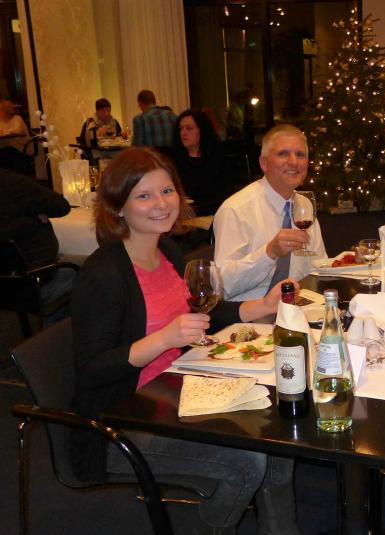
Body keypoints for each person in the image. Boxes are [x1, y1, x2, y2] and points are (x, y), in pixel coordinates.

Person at [70, 147, 301, 535]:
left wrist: (262, 305)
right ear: (117, 206)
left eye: (167, 191)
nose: (161, 204)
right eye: (144, 195)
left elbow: (203, 314)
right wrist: (164, 338)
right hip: (121, 422)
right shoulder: (104, 274)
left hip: (178, 389)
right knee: (249, 463)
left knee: (277, 429)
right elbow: (92, 370)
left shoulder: (165, 250)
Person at [214, 124, 326, 301]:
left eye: (300, 154)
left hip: (300, 305)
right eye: (283, 154)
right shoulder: (235, 210)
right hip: (250, 311)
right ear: (263, 163)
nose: (294, 162)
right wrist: (269, 253)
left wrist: (351, 264)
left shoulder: (304, 205)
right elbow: (221, 286)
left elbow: (318, 268)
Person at [0, 168, 75, 312]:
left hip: (12, 283)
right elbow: (61, 206)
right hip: (33, 282)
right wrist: (34, 210)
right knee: (89, 271)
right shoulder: (11, 183)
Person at [170, 109, 229, 216]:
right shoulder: (173, 160)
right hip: (184, 214)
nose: (183, 133)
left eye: (189, 128)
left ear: (202, 130)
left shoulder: (218, 157)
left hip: (215, 212)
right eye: (180, 129)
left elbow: (225, 192)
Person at [0, 98, 31, 173]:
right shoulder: (1, 120)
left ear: (6, 111)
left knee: (8, 151)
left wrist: (6, 131)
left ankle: (15, 174)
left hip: (20, 145)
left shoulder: (17, 118)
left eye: (1, 110)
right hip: (7, 146)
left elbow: (18, 130)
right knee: (4, 151)